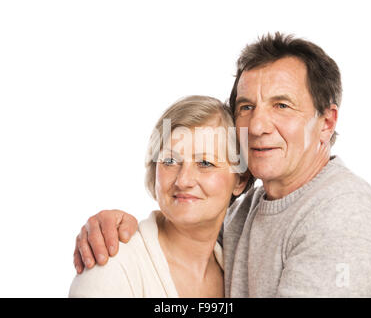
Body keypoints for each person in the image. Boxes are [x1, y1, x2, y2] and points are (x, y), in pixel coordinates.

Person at [73, 33, 371, 297]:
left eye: (282, 105)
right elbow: (186, 224)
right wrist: (115, 226)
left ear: (326, 122)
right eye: (246, 107)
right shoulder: (244, 209)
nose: (258, 125)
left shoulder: (344, 218)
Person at [69, 95, 249, 297]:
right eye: (170, 161)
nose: (183, 180)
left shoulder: (243, 272)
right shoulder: (113, 267)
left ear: (240, 180)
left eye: (205, 163)